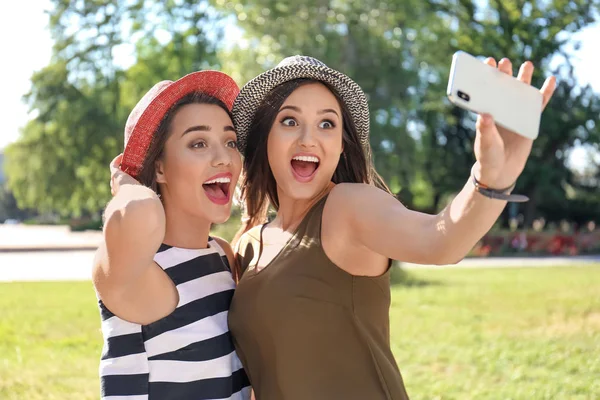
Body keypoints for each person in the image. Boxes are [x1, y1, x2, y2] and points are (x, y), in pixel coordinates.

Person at [228, 55, 556, 399]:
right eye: (290, 121)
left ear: (341, 146)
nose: (309, 138)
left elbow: (440, 240)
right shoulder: (248, 245)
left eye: (327, 124)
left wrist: (491, 181)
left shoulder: (348, 207)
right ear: (264, 138)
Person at [93, 71, 251, 400]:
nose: (223, 157)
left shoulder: (221, 255)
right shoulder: (138, 267)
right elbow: (141, 212)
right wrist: (125, 182)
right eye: (198, 143)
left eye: (231, 141)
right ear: (159, 168)